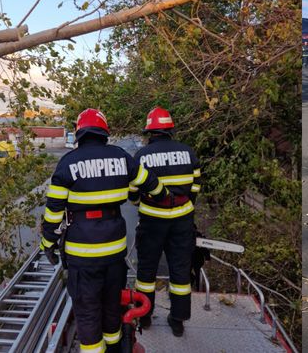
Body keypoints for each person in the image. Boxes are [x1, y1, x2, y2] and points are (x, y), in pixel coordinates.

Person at [40, 108, 166, 353]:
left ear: (79, 132)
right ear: (104, 132)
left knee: (88, 314)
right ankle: (115, 348)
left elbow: (54, 211)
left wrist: (48, 243)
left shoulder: (68, 163)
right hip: (114, 252)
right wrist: (164, 197)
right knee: (112, 308)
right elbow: (152, 184)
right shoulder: (121, 157)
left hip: (82, 255)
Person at [132, 106, 202, 337]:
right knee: (181, 271)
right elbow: (195, 187)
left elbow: (133, 192)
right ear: (170, 130)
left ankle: (144, 316)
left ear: (150, 132)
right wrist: (185, 206)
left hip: (152, 220)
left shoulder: (142, 156)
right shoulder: (188, 152)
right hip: (182, 221)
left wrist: (140, 204)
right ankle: (178, 320)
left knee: (146, 270)